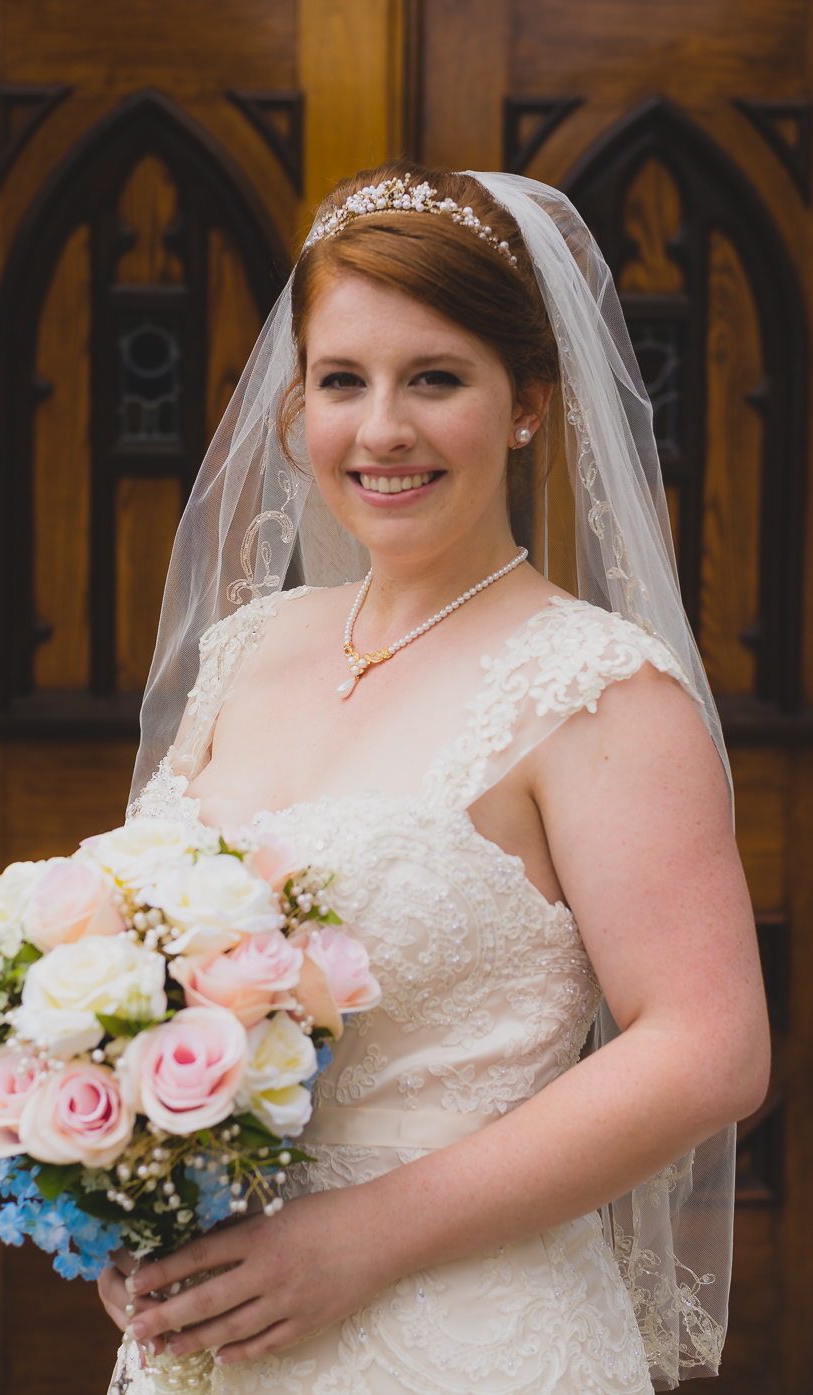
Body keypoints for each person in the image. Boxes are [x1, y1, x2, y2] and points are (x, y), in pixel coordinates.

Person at [98, 163, 769, 1394]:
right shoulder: (252, 644)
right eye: (342, 381)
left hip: (467, 1330)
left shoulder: (595, 686)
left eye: (436, 379)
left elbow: (707, 1050)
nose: (382, 430)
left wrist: (356, 1240)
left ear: (525, 405)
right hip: (216, 1331)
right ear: (297, 402)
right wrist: (130, 1195)